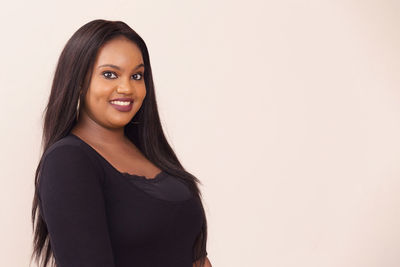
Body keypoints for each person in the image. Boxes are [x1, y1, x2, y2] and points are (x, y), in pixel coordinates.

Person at [30, 19, 211, 267]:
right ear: (80, 81)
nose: (127, 87)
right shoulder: (68, 161)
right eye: (109, 74)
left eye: (137, 75)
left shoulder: (152, 152)